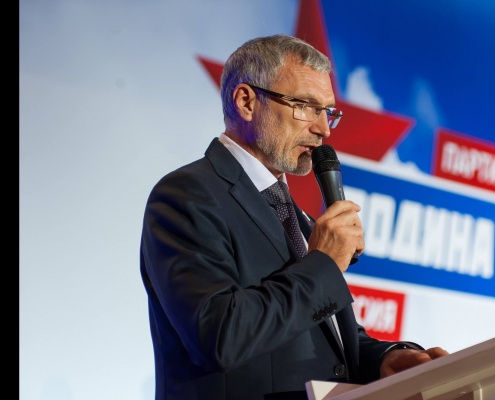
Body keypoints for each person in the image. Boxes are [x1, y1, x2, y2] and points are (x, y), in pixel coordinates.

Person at [140, 33, 449, 400]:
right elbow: (220, 335)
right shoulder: (187, 195)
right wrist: (322, 264)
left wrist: (386, 359)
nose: (324, 129)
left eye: (328, 111)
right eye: (305, 106)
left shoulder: (291, 212)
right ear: (246, 102)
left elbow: (319, 335)